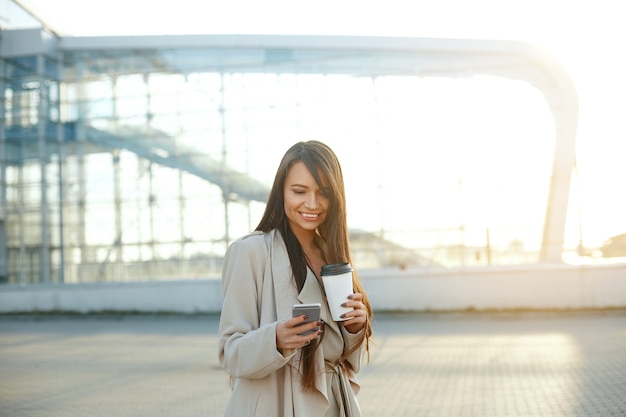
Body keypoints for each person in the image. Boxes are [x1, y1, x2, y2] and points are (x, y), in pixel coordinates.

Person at [218, 140, 374, 417]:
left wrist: (354, 328)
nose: (312, 204)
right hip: (278, 403)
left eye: (323, 193)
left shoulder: (332, 254)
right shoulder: (250, 252)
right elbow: (230, 353)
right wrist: (275, 339)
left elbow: (346, 359)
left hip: (334, 403)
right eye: (299, 191)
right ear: (281, 192)